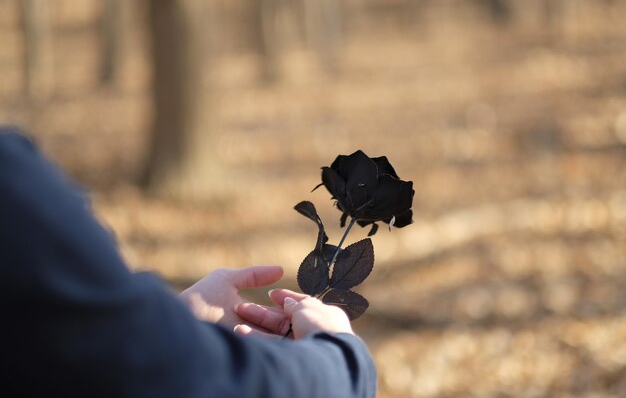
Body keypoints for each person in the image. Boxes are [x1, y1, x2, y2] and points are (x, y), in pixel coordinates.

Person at [0, 128, 377, 398]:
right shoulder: (13, 197)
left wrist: (174, 324)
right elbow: (167, 377)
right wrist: (341, 360)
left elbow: (78, 357)